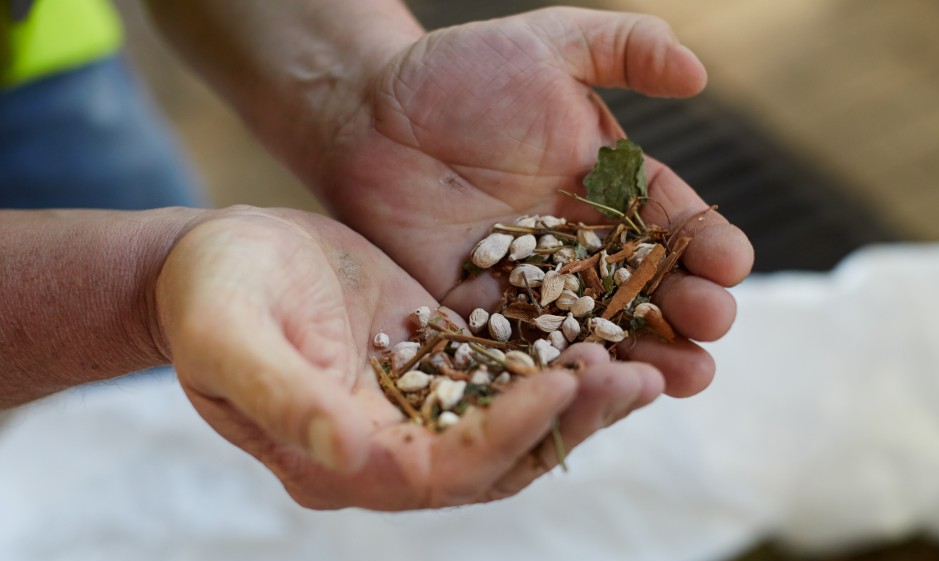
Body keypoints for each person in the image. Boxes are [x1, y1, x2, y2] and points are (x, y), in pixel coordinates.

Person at [0, 0, 754, 510]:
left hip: (37, 54)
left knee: (231, 375)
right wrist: (138, 290)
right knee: (206, 369)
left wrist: (356, 81)